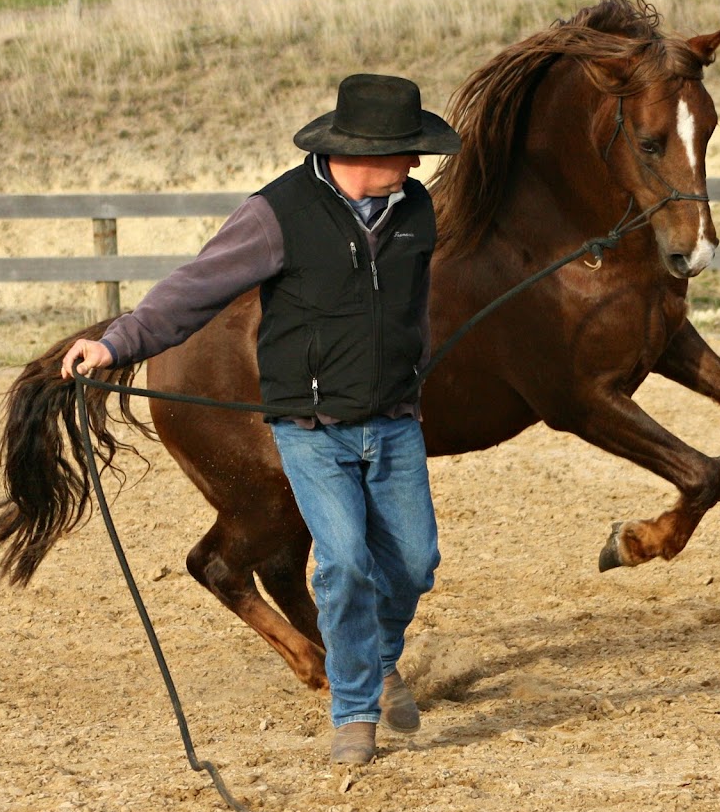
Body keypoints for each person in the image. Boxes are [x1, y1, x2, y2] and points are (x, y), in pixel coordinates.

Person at [60, 73, 462, 766]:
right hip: (310, 429)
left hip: (393, 420)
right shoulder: (278, 212)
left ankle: (375, 657)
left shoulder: (415, 209)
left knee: (415, 564)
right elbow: (195, 287)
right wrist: (115, 342)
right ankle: (355, 710)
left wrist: (412, 370)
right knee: (341, 563)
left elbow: (411, 303)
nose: (419, 164)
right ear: (363, 151)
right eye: (407, 151)